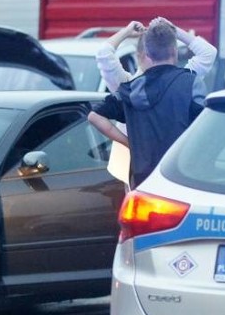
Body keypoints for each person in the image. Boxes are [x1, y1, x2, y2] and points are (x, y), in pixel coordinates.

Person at [88, 17, 206, 188]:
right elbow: (203, 128)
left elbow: (93, 116)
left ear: (146, 55)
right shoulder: (190, 83)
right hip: (181, 176)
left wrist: (130, 143)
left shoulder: (131, 88)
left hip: (143, 179)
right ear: (174, 51)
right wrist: (174, 29)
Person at [96, 19, 217, 93]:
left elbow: (104, 53)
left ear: (140, 54)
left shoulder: (127, 87)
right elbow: (208, 52)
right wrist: (174, 30)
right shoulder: (183, 83)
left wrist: (126, 32)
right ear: (174, 52)